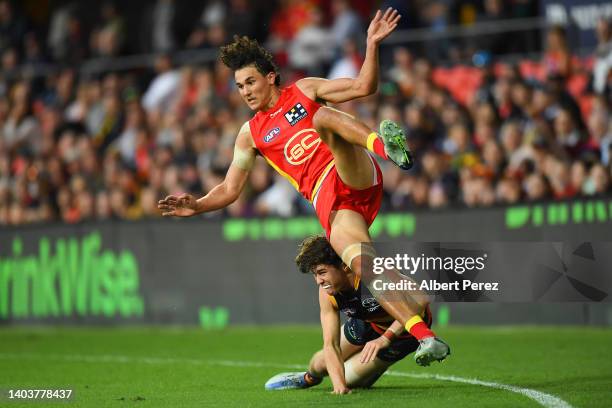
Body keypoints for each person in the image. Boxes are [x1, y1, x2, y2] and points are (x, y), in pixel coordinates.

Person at [158, 8, 450, 365]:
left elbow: (363, 87)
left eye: (250, 82)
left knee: (323, 117)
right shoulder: (250, 134)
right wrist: (199, 205)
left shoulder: (304, 90)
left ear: (270, 76)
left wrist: (371, 45)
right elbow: (231, 188)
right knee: (366, 268)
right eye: (239, 86)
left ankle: (383, 146)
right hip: (332, 205)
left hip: (347, 169)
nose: (245, 91)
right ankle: (427, 338)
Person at [265, 235, 447, 394]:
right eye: (315, 274)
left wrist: (385, 338)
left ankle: (373, 369)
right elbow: (331, 345)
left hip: (401, 334)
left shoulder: (372, 274)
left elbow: (421, 299)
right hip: (365, 323)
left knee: (353, 380)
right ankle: (307, 378)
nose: (319, 281)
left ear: (344, 266)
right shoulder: (327, 292)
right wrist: (338, 386)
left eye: (322, 272)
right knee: (320, 364)